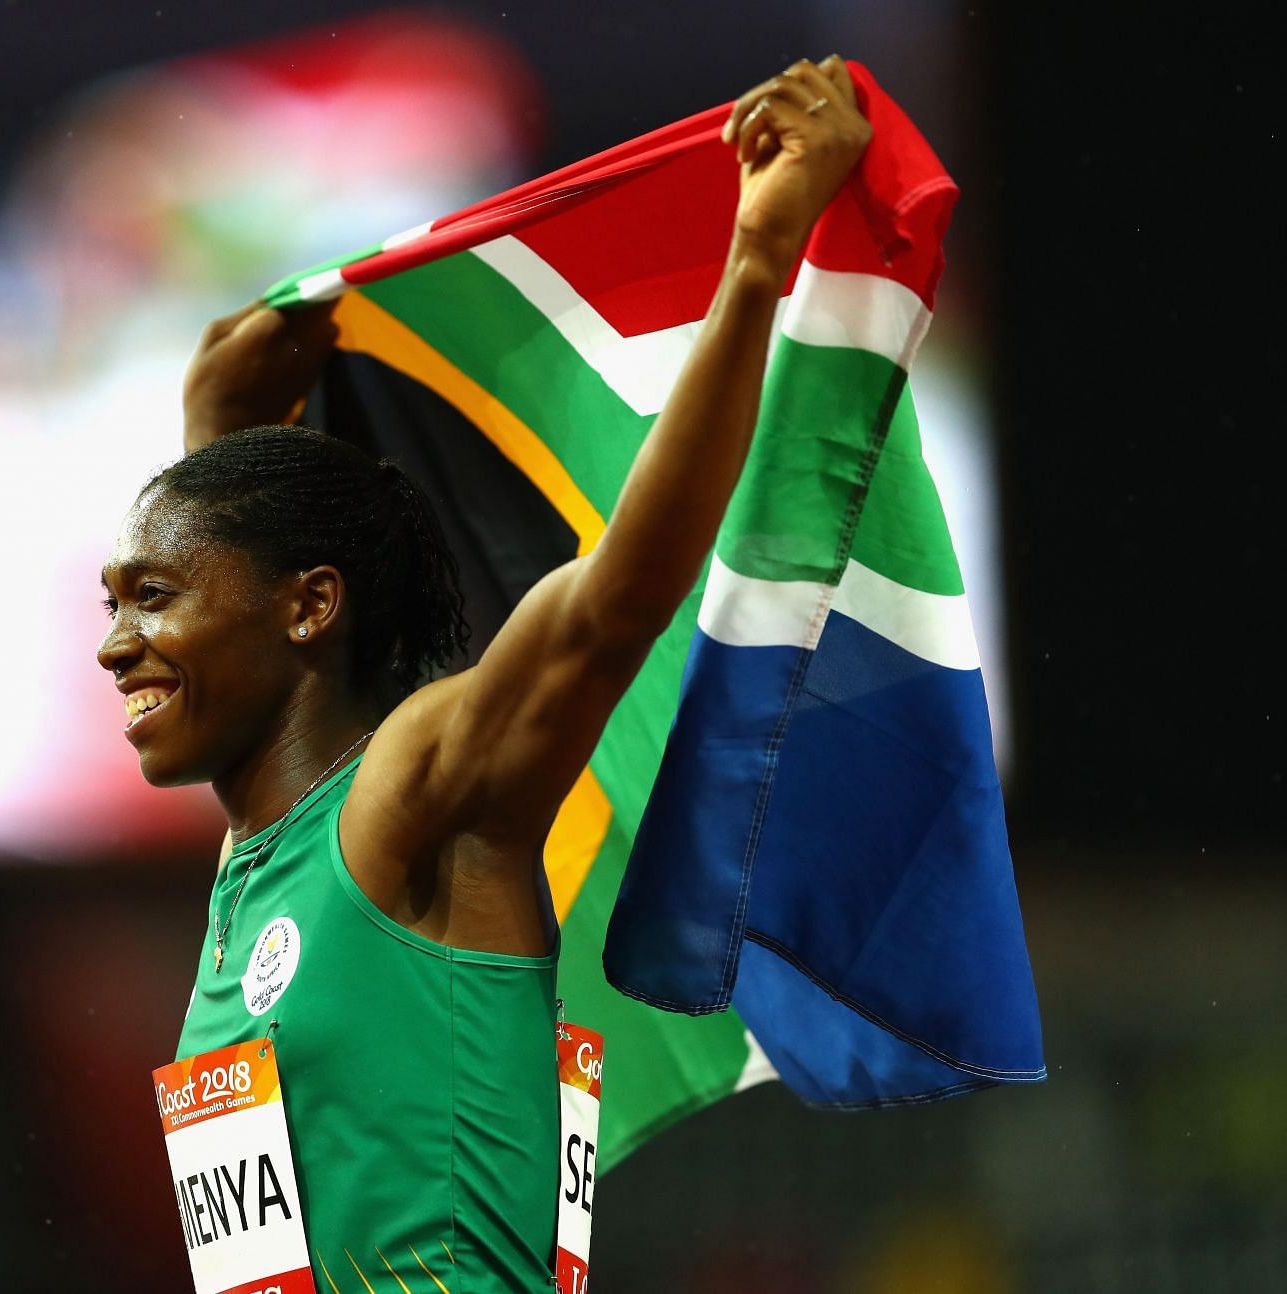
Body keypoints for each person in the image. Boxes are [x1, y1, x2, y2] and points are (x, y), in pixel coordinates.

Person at [100, 56, 871, 1292]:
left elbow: (613, 600)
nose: (115, 641)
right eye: (116, 601)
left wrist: (756, 261)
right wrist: (224, 450)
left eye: (151, 597)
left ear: (311, 608)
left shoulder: (422, 790)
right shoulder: (261, 871)